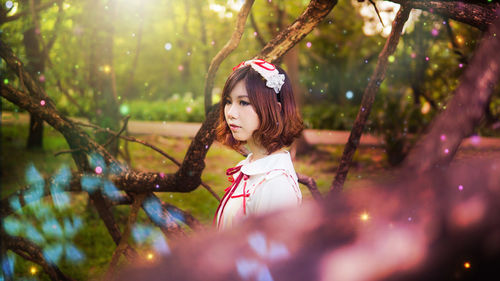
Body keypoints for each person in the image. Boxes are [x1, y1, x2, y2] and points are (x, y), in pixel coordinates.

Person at [214, 59, 304, 230]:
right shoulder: (254, 165)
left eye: (244, 102)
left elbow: (271, 255)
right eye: (228, 101)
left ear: (276, 109)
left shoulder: (275, 185)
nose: (231, 113)